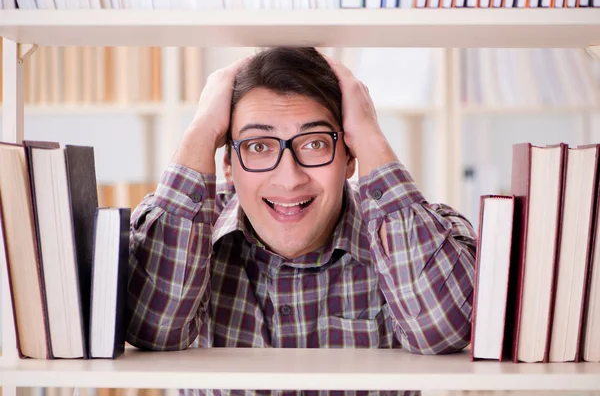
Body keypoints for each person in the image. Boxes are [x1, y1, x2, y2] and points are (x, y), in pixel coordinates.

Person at [127, 47, 476, 396]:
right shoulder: (180, 229)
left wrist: (370, 135)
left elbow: (442, 330)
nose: (289, 178)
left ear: (349, 157)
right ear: (228, 166)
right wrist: (200, 130)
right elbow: (152, 328)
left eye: (314, 143)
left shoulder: (430, 233)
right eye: (258, 146)